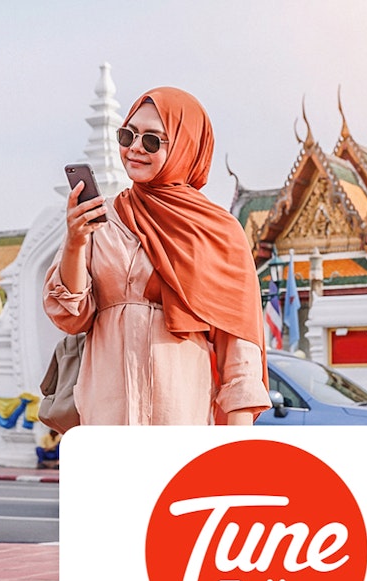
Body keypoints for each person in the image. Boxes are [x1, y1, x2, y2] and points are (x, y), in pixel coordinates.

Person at [43, 87, 270, 425]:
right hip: (105, 417)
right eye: (127, 135)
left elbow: (240, 355)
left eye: (152, 141)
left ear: (184, 147)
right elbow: (70, 315)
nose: (134, 148)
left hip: (178, 418)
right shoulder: (102, 220)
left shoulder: (218, 233)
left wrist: (234, 447)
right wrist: (76, 241)